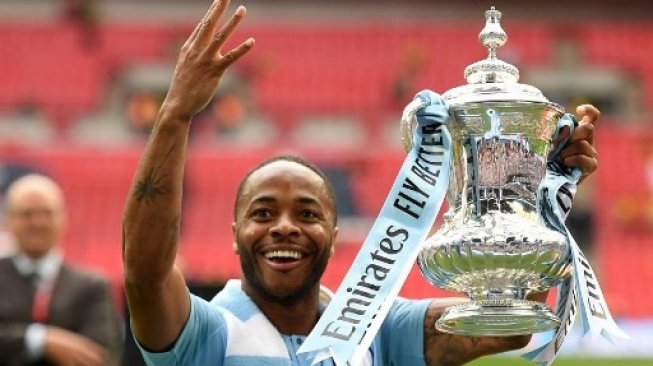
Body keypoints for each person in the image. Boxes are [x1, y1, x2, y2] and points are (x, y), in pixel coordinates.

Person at [122, 1, 600, 365]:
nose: (284, 227)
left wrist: (539, 191)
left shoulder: (380, 330)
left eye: (307, 214)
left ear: (334, 237)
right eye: (263, 213)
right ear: (234, 234)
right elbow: (145, 275)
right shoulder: (205, 331)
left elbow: (508, 323)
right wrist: (174, 116)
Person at [0, 174, 123, 365]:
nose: (37, 223)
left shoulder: (92, 285)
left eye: (46, 213)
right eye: (26, 214)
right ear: (8, 220)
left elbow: (102, 356)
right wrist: (41, 340)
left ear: (63, 218)